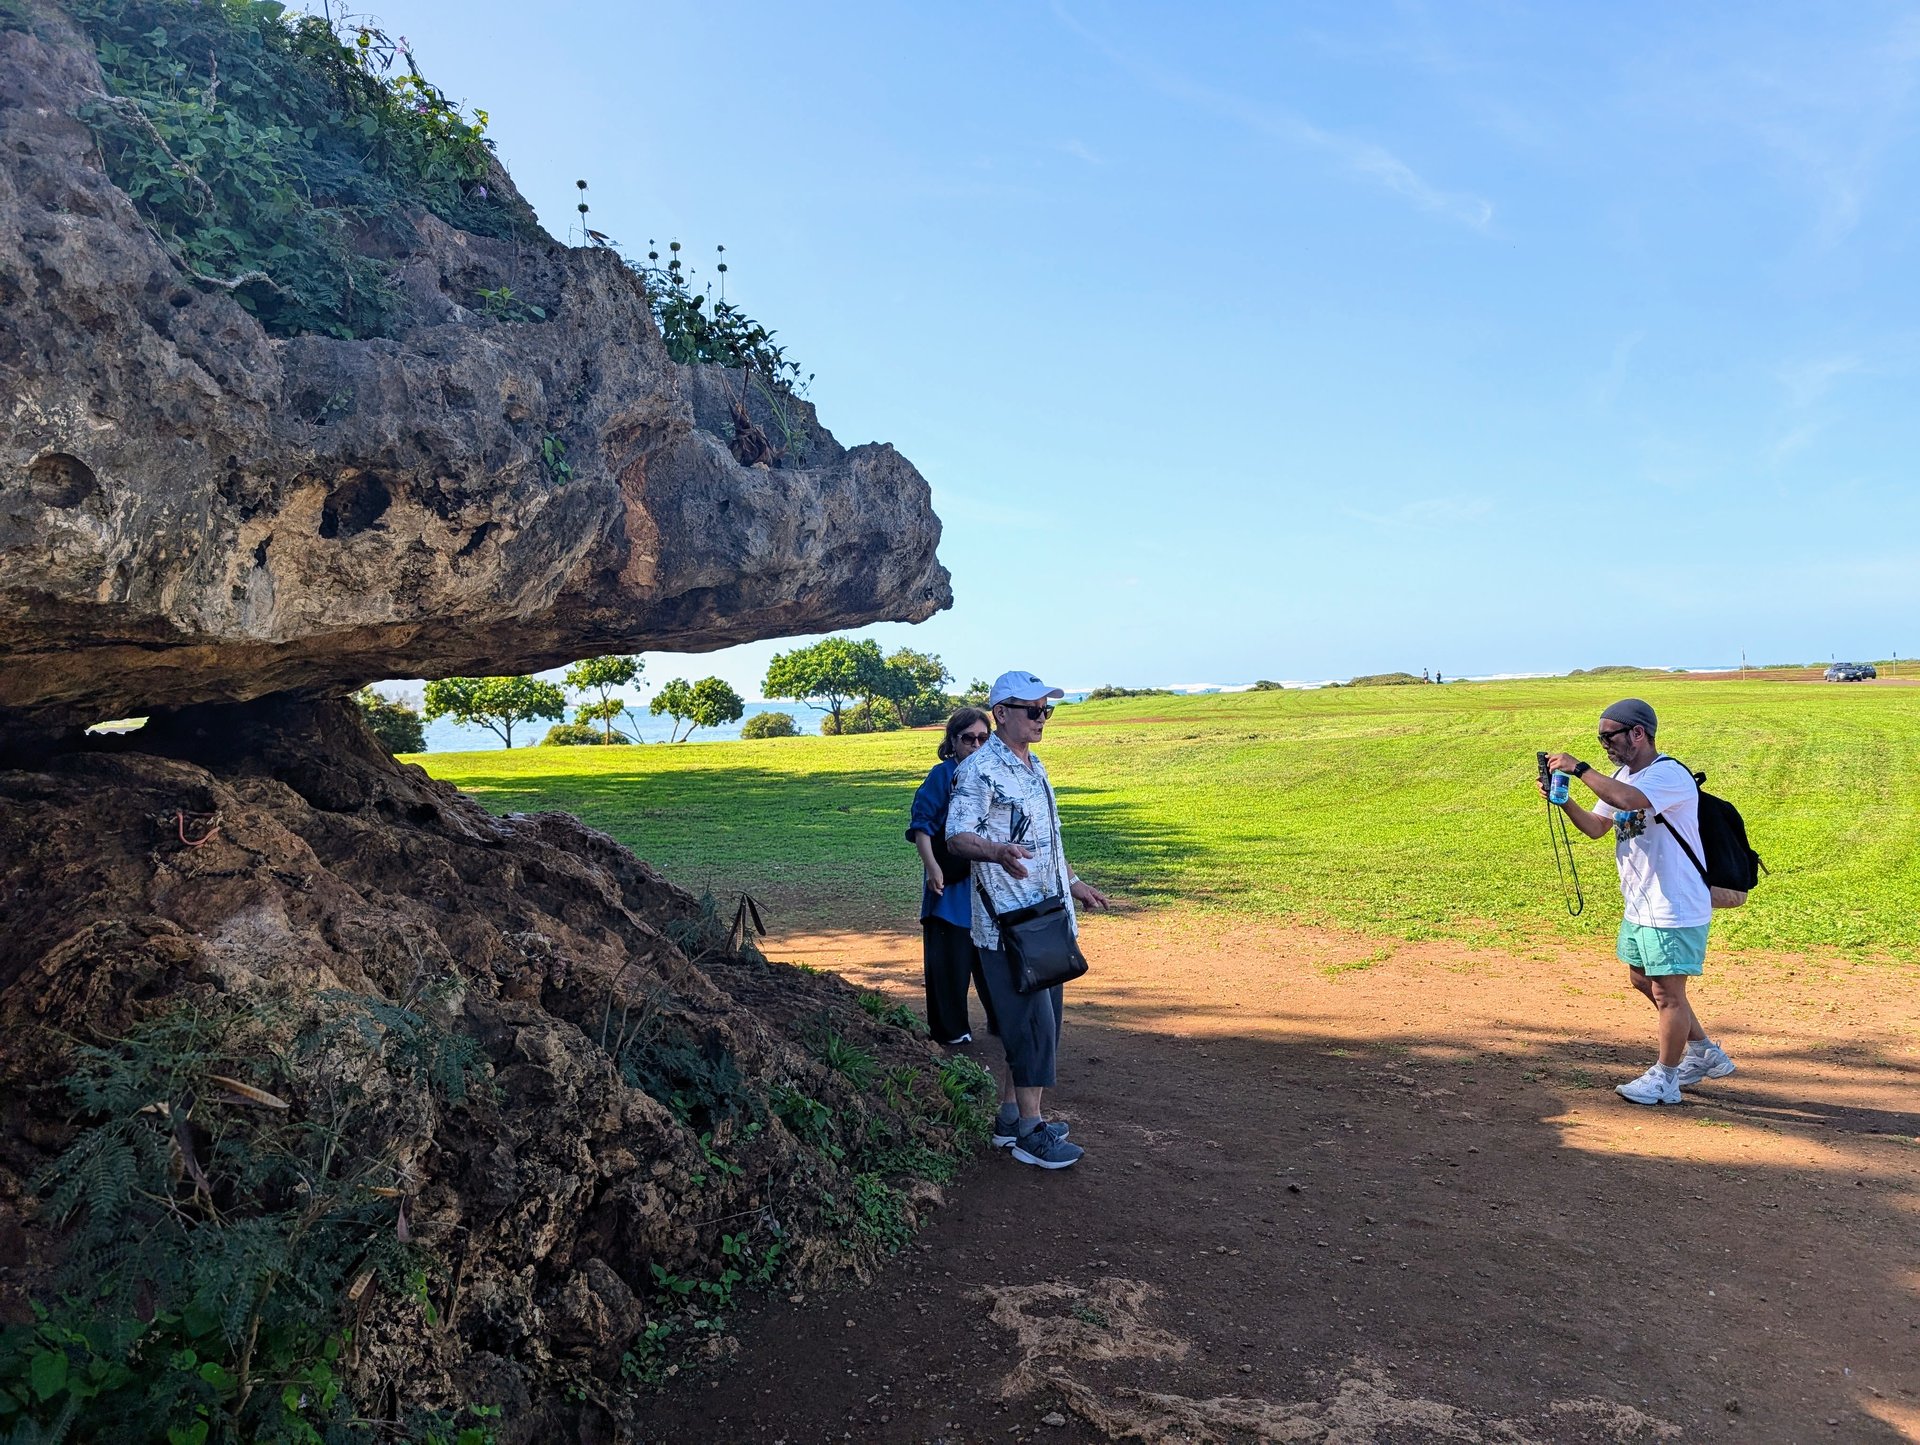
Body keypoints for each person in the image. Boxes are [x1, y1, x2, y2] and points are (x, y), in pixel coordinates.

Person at [946, 670, 1113, 1169]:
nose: (1042, 719)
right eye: (1033, 710)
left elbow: (1047, 840)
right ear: (1001, 713)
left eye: (1047, 710)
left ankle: (1009, 1119)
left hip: (1047, 917)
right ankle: (1031, 1132)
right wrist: (996, 851)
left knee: (1038, 1025)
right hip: (1010, 925)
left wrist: (1074, 882)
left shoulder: (1033, 765)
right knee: (1032, 1027)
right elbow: (957, 837)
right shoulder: (980, 770)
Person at [1543, 698, 1737, 1106]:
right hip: (1640, 902)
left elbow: (1630, 801)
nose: (1604, 745)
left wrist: (1580, 768)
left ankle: (1666, 1079)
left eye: (1608, 736)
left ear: (1638, 733)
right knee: (1642, 979)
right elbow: (1597, 826)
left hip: (1673, 904)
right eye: (1599, 739)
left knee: (1668, 994)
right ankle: (1704, 1052)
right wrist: (1565, 801)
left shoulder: (1668, 774)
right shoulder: (1620, 776)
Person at [905, 708, 998, 1045]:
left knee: (993, 961)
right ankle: (951, 1031)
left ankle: (1003, 1022)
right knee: (949, 962)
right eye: (968, 738)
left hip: (987, 883)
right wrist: (933, 868)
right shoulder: (942, 775)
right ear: (953, 741)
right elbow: (922, 827)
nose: (976, 745)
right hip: (950, 885)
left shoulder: (993, 774)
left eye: (983, 738)